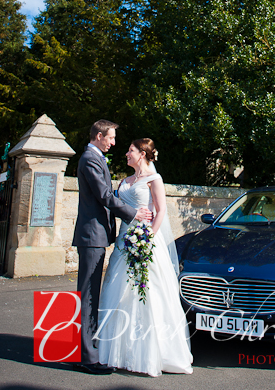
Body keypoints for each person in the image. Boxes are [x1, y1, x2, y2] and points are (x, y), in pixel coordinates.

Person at [96, 138, 193, 377]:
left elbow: (160, 212)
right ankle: (116, 352)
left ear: (142, 154)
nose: (126, 154)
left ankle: (151, 353)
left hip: (145, 240)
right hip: (123, 242)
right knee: (118, 292)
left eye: (130, 150)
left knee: (149, 294)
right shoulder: (125, 181)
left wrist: (147, 237)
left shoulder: (154, 179)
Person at [72, 120, 152, 375]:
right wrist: (134, 214)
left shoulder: (95, 158)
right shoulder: (89, 159)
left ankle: (88, 349)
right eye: (111, 137)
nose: (114, 143)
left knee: (92, 294)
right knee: (88, 296)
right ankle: (87, 358)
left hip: (96, 236)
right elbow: (105, 197)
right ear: (98, 136)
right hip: (91, 236)